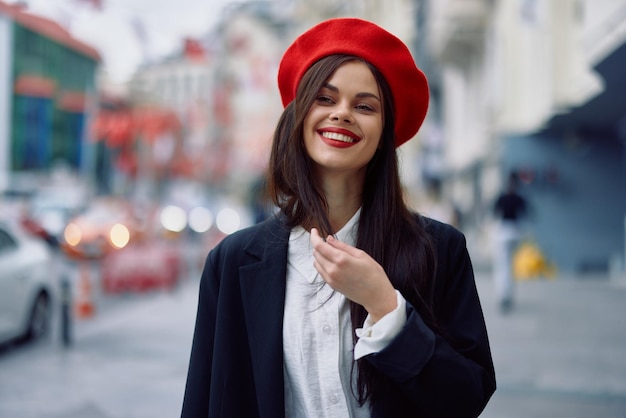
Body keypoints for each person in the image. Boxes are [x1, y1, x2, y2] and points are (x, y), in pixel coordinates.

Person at [181, 18, 496, 418]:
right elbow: (205, 400)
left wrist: (386, 307)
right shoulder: (233, 260)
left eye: (365, 106)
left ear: (385, 131)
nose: (342, 114)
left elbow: (467, 398)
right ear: (299, 116)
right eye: (325, 99)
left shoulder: (439, 250)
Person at [492, 171, 528, 313]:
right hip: (515, 232)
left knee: (503, 266)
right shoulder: (519, 198)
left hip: (504, 232)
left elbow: (495, 213)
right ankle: (507, 295)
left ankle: (504, 295)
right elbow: (527, 214)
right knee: (509, 266)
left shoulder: (502, 197)